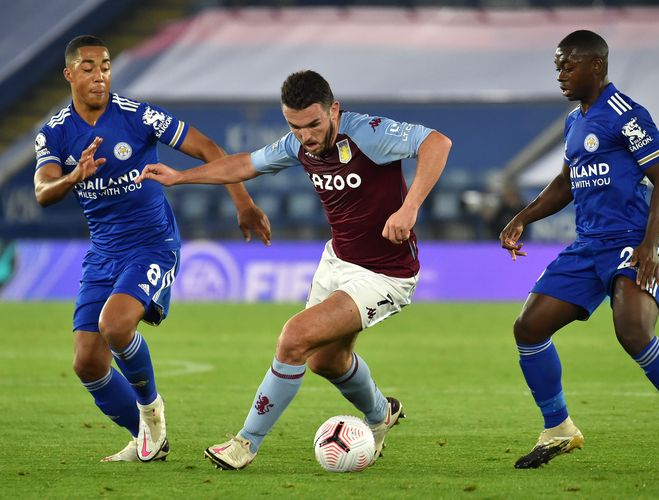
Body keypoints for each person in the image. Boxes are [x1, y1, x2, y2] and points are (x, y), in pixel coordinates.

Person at [137, 70, 452, 470]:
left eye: (314, 124)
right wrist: (182, 177)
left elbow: (437, 143)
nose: (305, 136)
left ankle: (245, 443)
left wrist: (409, 208)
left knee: (294, 337)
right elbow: (245, 165)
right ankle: (380, 415)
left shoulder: (368, 134)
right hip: (337, 260)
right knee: (325, 361)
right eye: (295, 126)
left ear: (334, 110)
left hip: (385, 273)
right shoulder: (299, 145)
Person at [33, 35, 271, 463]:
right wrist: (74, 177)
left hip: (152, 244)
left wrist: (245, 204)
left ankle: (151, 411)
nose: (99, 75)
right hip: (103, 253)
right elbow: (43, 192)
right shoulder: (54, 133)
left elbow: (208, 149)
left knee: (116, 325)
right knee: (87, 363)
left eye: (105, 65)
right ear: (69, 74)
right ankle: (147, 436)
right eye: (88, 67)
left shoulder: (138, 116)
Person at [499, 30, 659, 472]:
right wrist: (523, 216)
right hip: (587, 246)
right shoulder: (574, 121)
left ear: (596, 66)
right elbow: (566, 183)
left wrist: (649, 245)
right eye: (557, 66)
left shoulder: (626, 115)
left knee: (633, 332)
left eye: (569, 65)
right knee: (528, 328)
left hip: (630, 241)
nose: (560, 74)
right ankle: (558, 427)